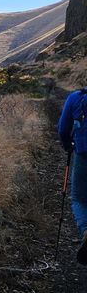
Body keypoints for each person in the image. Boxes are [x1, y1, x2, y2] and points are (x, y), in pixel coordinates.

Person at [59, 88, 87, 264]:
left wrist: (68, 146)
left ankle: (85, 229)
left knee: (78, 197)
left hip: (83, 154)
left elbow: (63, 129)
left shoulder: (76, 97)